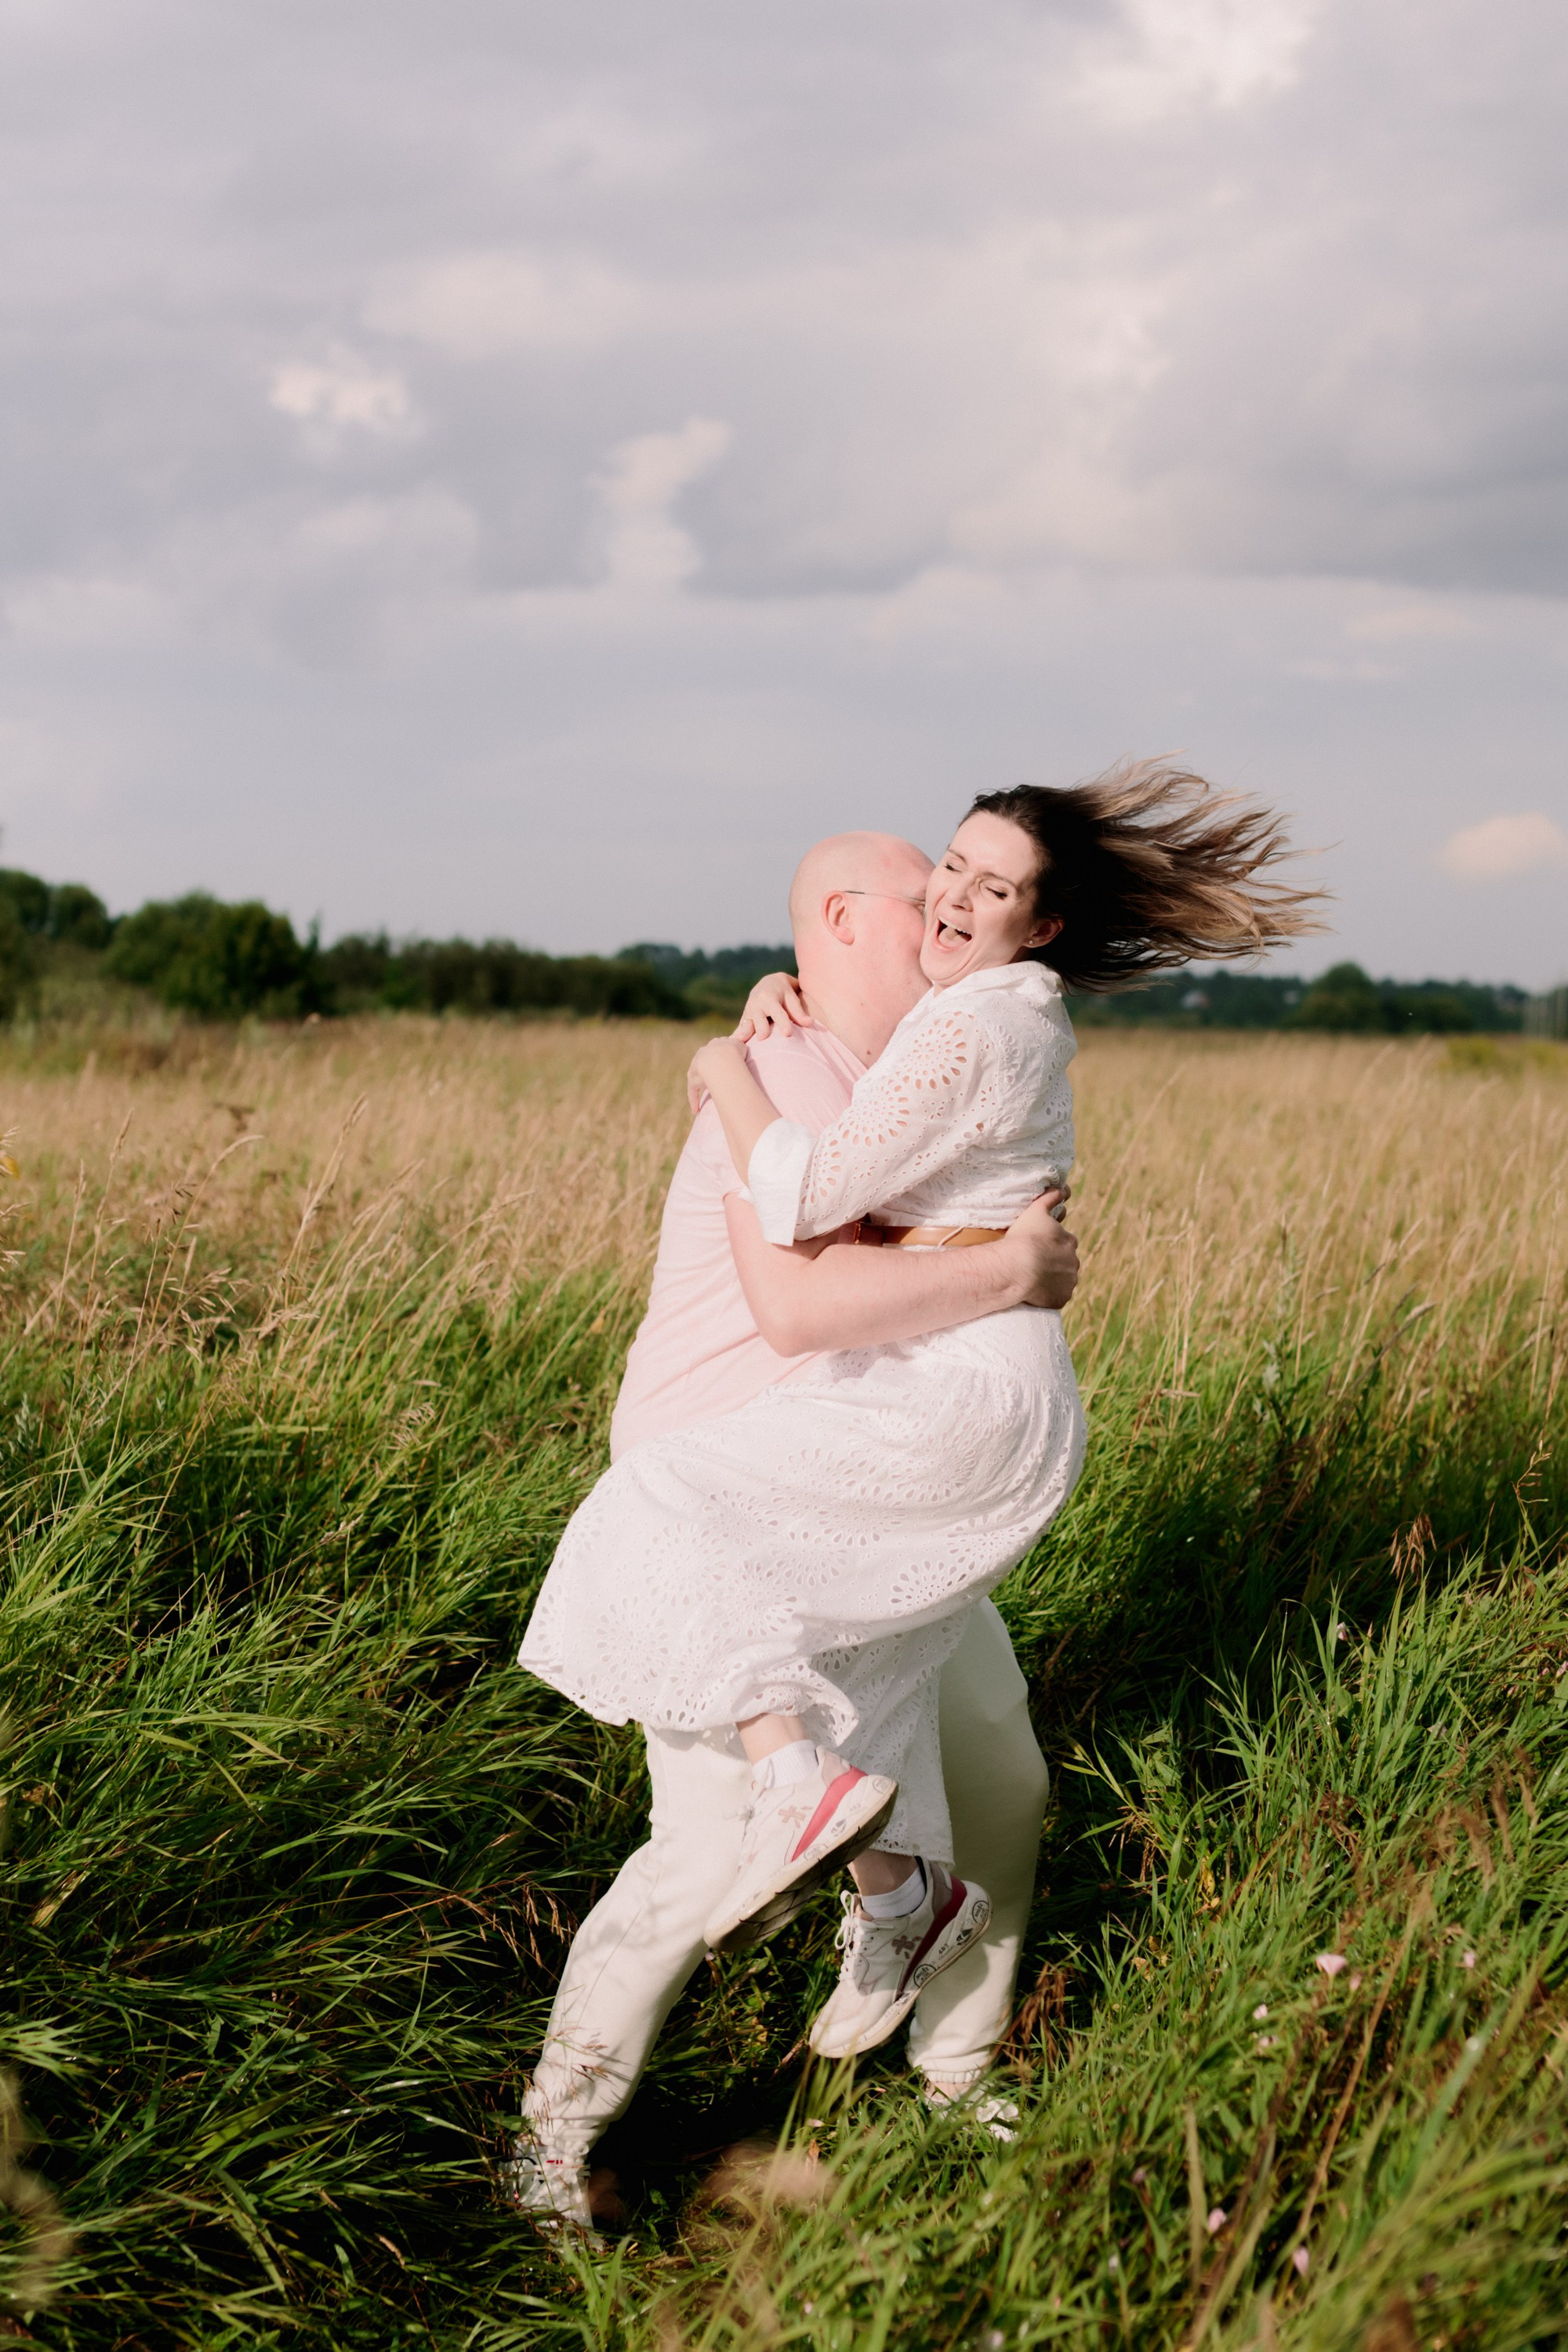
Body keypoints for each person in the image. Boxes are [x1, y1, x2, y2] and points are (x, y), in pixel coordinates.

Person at [506, 826, 1082, 2233]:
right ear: (843, 915)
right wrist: (1014, 1267)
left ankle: (957, 2080)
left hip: (860, 1504)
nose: (948, 919)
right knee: (702, 1853)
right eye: (921, 902)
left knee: (999, 1781)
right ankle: (551, 2144)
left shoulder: (894, 1068)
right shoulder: (771, 1081)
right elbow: (803, 1312)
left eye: (969, 902)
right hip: (730, 1536)